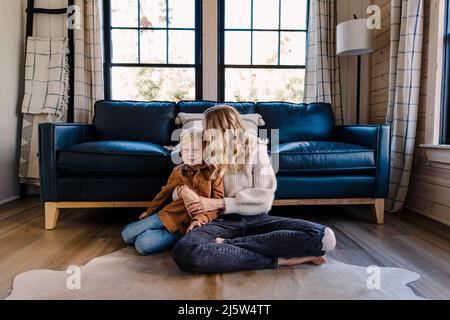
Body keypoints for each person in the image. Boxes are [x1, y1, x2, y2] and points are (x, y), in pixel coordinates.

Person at [171, 105, 337, 273]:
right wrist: (181, 192)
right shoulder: (201, 151)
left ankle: (229, 246)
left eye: (207, 128)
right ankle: (278, 260)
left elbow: (264, 200)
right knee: (186, 252)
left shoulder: (257, 149)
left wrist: (218, 203)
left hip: (256, 219)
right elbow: (177, 182)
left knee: (324, 237)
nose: (205, 133)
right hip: (219, 222)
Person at [121, 127, 224, 255]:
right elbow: (164, 193)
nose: (190, 154)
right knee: (126, 234)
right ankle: (147, 230)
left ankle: (154, 235)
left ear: (205, 152)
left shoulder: (214, 172)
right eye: (186, 150)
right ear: (181, 152)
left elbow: (217, 204)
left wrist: (200, 219)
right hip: (166, 215)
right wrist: (149, 211)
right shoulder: (178, 171)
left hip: (183, 227)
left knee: (142, 245)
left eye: (195, 150)